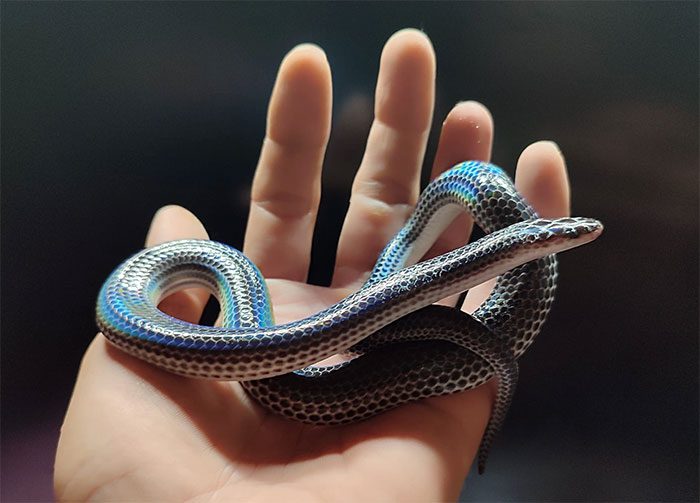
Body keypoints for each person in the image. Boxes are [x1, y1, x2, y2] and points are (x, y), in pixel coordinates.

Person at [55, 28, 570, 501]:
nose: (570, 238)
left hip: (372, 322)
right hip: (322, 327)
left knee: (359, 320)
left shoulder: (509, 260)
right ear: (525, 243)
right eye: (558, 236)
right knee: (276, 295)